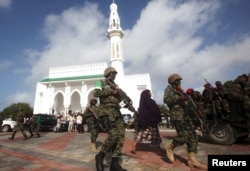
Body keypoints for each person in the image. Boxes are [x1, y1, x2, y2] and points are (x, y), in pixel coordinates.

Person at [163, 74, 207, 170]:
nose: (179, 82)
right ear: (173, 81)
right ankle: (170, 147)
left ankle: (192, 160)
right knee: (183, 136)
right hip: (177, 117)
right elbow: (166, 100)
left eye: (180, 80)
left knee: (193, 136)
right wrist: (180, 98)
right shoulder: (169, 90)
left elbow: (187, 103)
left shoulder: (182, 90)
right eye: (177, 80)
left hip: (186, 116)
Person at [94, 66, 132, 171]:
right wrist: (110, 92)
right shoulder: (100, 82)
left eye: (115, 74)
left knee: (120, 136)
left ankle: (115, 164)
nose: (114, 76)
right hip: (106, 112)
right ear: (108, 74)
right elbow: (95, 93)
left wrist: (129, 107)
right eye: (113, 74)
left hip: (116, 113)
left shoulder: (116, 86)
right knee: (113, 135)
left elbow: (120, 100)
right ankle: (100, 156)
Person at [131, 89, 162, 153]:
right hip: (152, 122)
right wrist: (157, 117)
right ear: (147, 93)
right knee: (155, 136)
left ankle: (133, 147)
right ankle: (158, 149)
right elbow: (156, 110)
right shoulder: (151, 101)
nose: (151, 93)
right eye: (150, 92)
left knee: (140, 135)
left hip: (145, 122)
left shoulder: (142, 103)